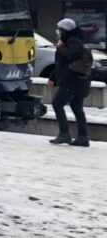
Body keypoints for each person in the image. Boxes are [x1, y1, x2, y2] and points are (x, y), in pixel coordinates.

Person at [47, 18, 91, 147]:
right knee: (77, 108)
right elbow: (63, 64)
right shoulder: (72, 39)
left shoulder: (71, 40)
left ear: (63, 30)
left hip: (72, 81)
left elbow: (72, 55)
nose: (57, 31)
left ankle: (64, 134)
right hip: (78, 80)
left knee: (57, 104)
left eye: (59, 28)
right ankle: (83, 137)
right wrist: (52, 77)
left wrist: (60, 47)